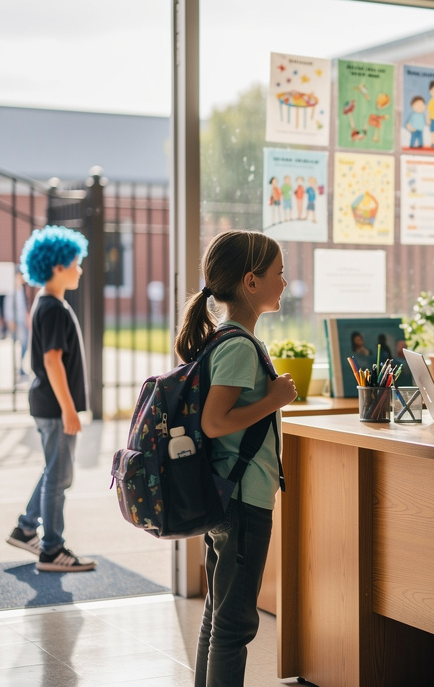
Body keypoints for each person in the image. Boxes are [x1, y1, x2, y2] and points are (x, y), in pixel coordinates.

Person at [175, 229, 296, 686]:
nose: (284, 283)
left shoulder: (225, 339)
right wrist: (275, 398)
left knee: (218, 616)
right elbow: (215, 422)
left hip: (229, 495)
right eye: (278, 274)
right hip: (243, 502)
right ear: (251, 281)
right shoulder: (240, 346)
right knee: (235, 625)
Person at [6, 226, 97, 572]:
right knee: (59, 478)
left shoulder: (45, 304)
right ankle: (52, 549)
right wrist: (69, 409)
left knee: (53, 472)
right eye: (76, 263)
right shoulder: (54, 309)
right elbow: (52, 360)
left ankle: (26, 527)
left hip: (47, 405)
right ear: (57, 266)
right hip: (56, 408)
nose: (80, 269)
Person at [4, 270, 31, 379]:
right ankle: (18, 367)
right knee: (22, 343)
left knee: (25, 344)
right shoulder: (12, 290)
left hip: (23, 321)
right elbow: (8, 307)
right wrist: (10, 321)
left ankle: (20, 366)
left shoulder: (22, 290)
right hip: (17, 322)